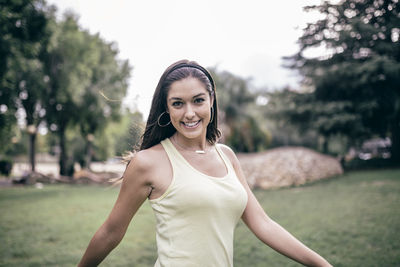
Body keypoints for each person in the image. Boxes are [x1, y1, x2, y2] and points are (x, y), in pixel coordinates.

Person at [78, 59, 332, 267]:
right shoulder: (148, 162)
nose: (189, 113)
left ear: (211, 100)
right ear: (167, 109)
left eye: (198, 100)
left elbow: (262, 224)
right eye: (178, 104)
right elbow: (111, 232)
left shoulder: (227, 156)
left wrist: (321, 264)